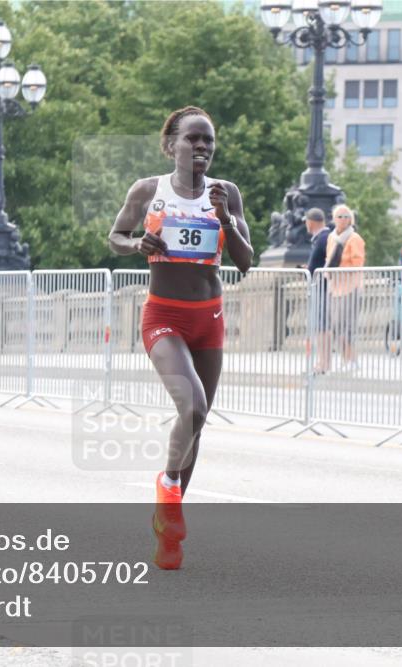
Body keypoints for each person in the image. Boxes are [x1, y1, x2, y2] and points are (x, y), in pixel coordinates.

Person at [108, 106, 253, 570]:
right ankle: (169, 488)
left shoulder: (225, 192)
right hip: (164, 315)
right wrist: (137, 245)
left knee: (197, 422)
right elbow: (116, 235)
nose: (203, 147)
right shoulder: (148, 191)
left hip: (208, 317)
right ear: (171, 145)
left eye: (209, 141)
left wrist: (226, 220)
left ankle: (168, 531)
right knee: (191, 406)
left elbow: (246, 263)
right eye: (193, 139)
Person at [324, 204, 366, 373]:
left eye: (346, 216)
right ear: (334, 219)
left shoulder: (354, 238)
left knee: (347, 326)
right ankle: (345, 358)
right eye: (339, 216)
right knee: (337, 326)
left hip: (350, 286)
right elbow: (329, 258)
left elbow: (358, 262)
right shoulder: (331, 237)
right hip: (335, 287)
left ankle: (352, 359)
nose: (342, 219)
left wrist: (339, 266)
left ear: (351, 219)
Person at [304, 208, 333, 373]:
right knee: (321, 327)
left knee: (322, 327)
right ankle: (323, 362)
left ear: (311, 222)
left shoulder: (323, 238)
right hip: (320, 286)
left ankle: (324, 363)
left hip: (322, 288)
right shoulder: (322, 238)